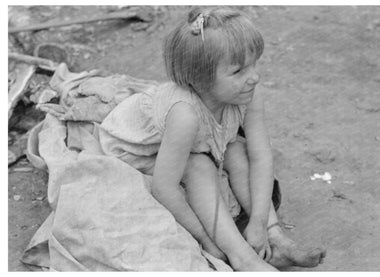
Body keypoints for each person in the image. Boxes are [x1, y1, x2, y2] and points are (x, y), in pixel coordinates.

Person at [99, 7, 326, 271]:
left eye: (254, 64)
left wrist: (258, 222)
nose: (254, 76)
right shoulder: (185, 114)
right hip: (138, 151)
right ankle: (244, 258)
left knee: (238, 151)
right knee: (199, 167)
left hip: (193, 143)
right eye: (238, 70)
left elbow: (261, 155)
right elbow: (164, 188)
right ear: (201, 79)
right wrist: (207, 241)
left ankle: (275, 237)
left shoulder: (248, 93)